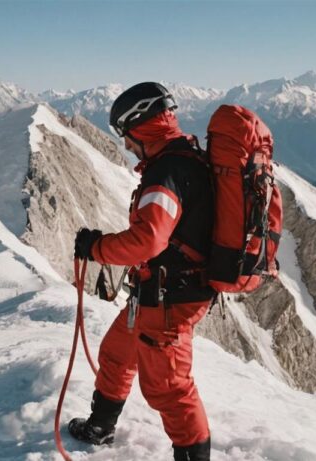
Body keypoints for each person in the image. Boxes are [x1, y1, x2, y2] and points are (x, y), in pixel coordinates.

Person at [71, 82, 215, 461]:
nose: (126, 145)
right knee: (117, 353)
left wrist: (96, 249)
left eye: (127, 136)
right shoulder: (181, 160)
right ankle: (100, 427)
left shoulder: (167, 172)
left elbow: (148, 239)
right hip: (158, 291)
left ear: (141, 126)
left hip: (172, 298)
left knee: (168, 388)